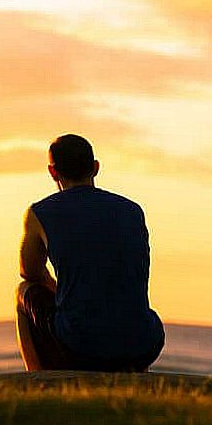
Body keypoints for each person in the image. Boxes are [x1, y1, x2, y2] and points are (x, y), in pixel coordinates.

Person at [16, 133, 165, 373]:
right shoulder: (132, 210)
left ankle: (37, 382)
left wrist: (58, 292)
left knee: (22, 292)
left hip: (82, 346)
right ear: (95, 167)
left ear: (53, 172)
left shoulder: (40, 213)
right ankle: (135, 373)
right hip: (145, 343)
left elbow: (29, 271)